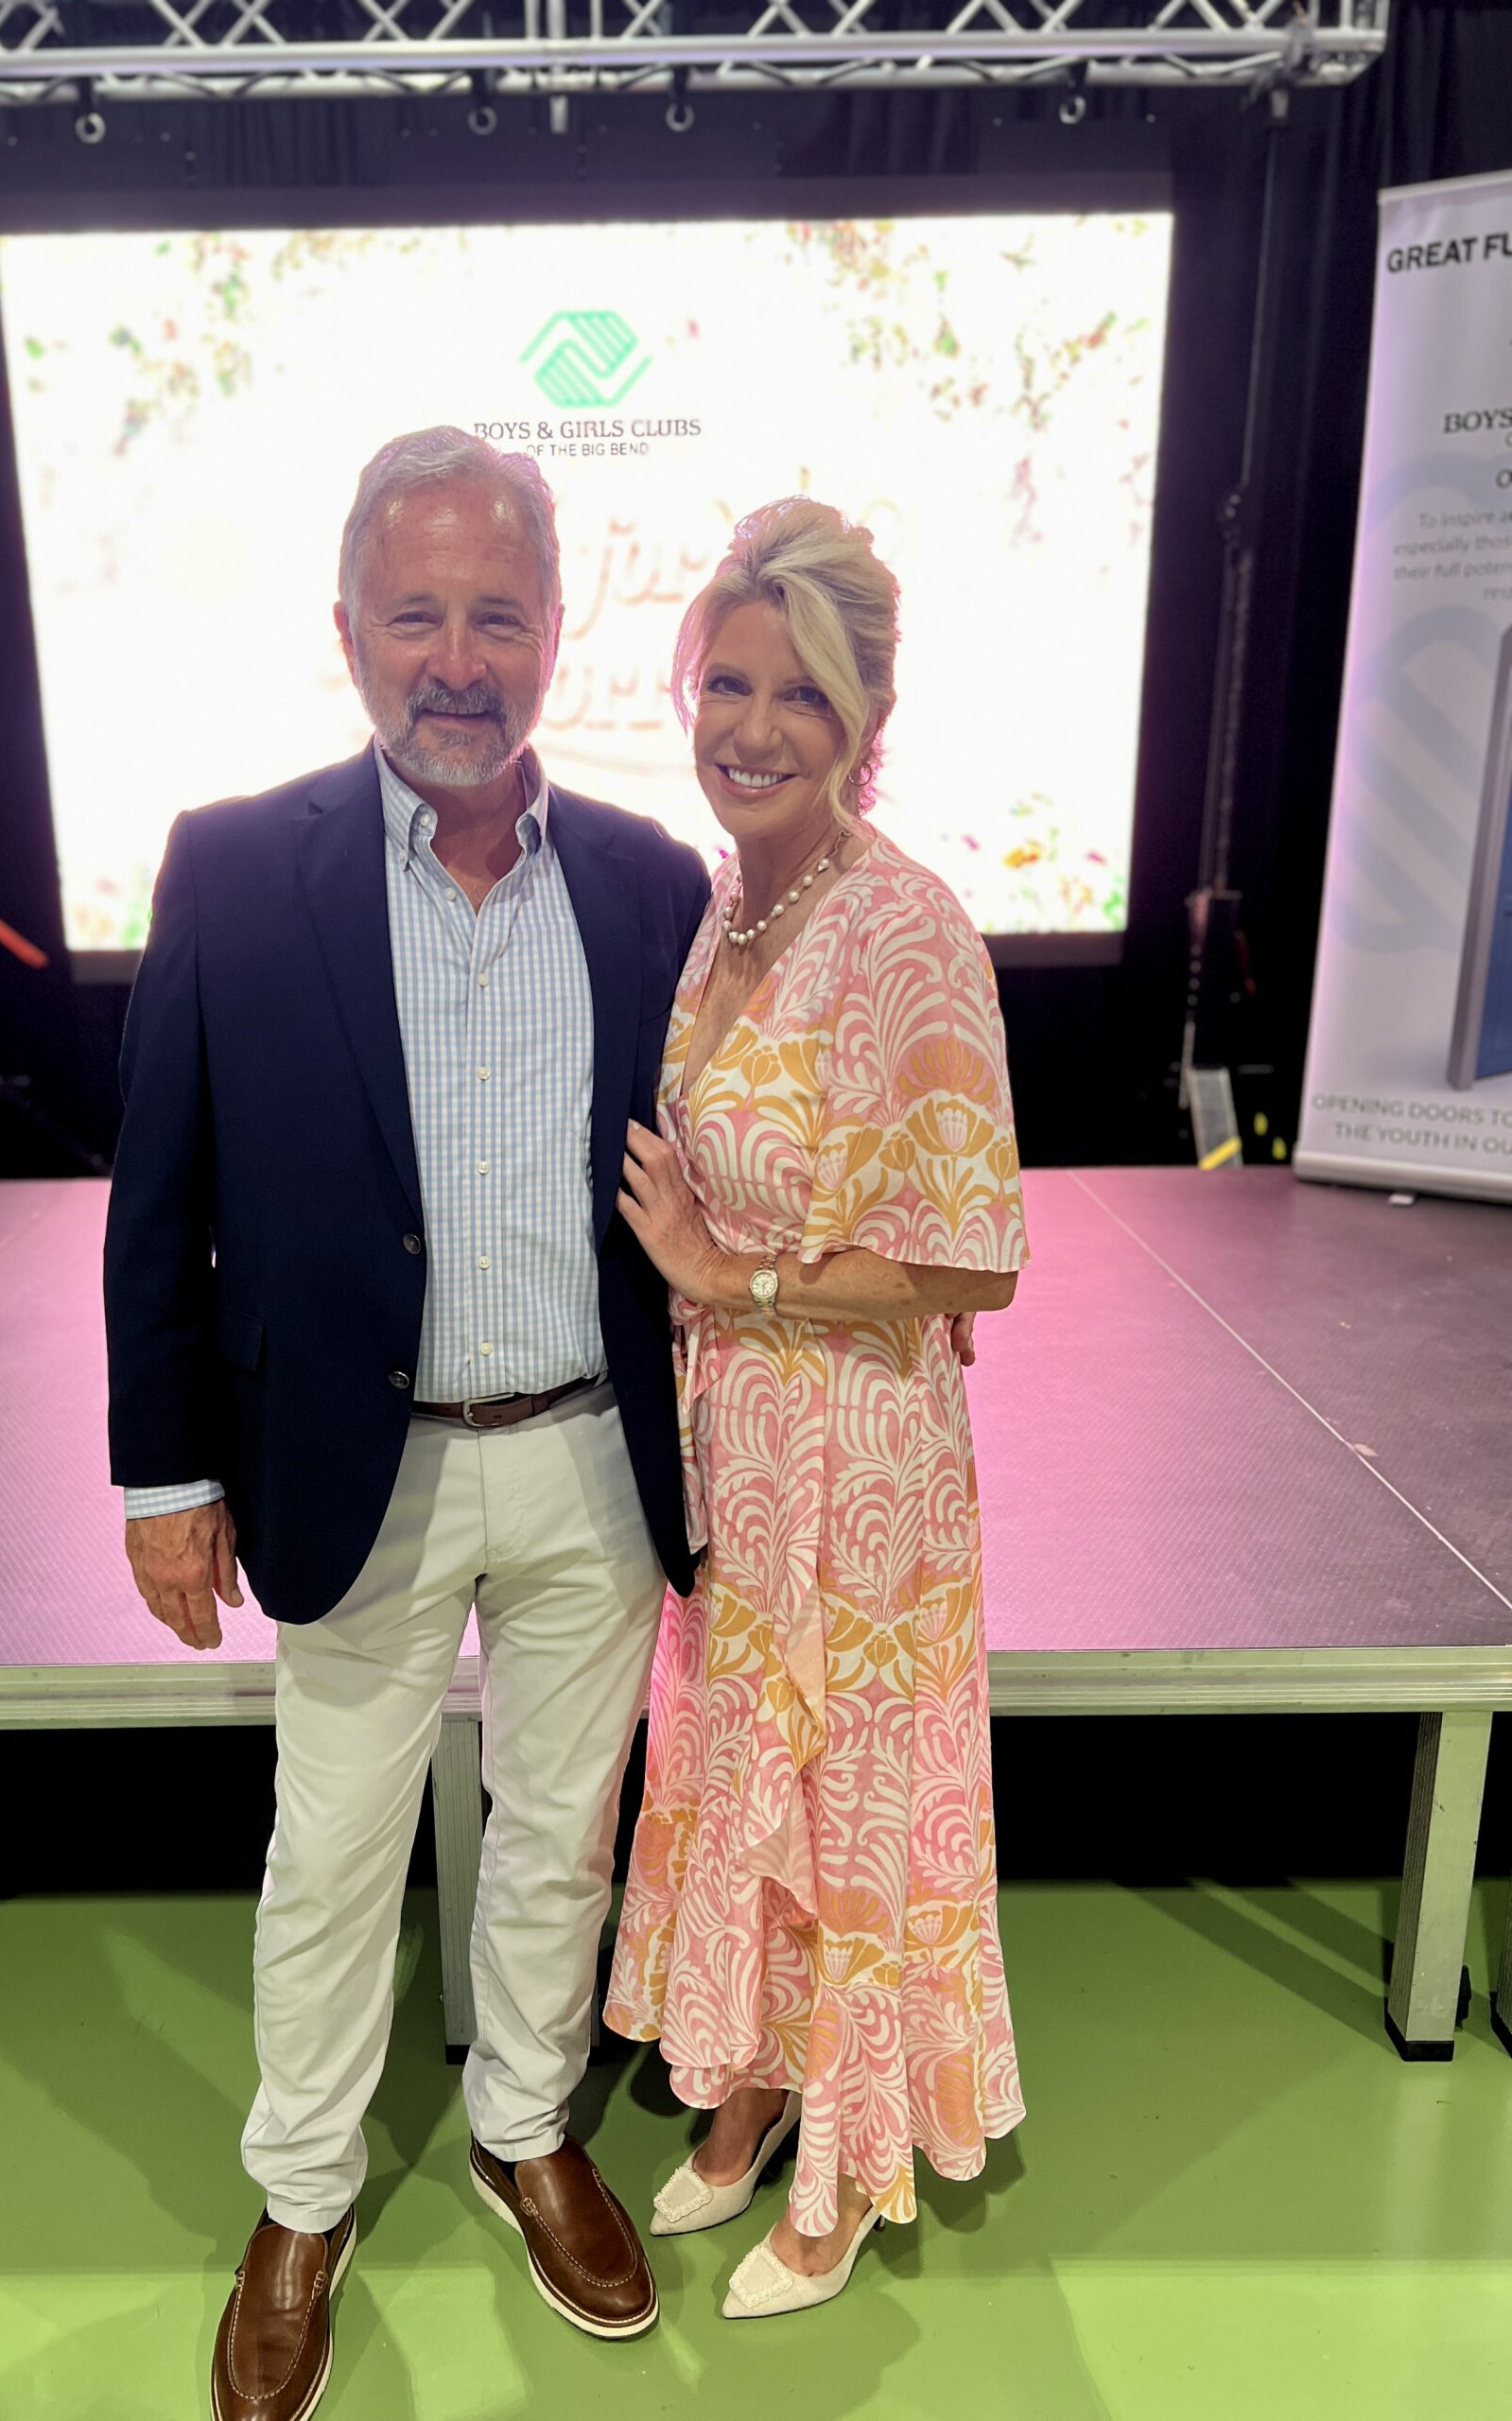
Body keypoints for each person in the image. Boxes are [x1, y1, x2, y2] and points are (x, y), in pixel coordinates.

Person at [103, 427, 710, 2421]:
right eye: (418, 613)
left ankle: (527, 2130)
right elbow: (159, 1190)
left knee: (561, 1833)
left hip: (593, 1454)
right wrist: (165, 1470)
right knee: (333, 1851)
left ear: (558, 630)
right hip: (345, 1464)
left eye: (498, 615)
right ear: (350, 628)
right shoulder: (229, 864)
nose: (459, 659)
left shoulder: (649, 880)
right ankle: (302, 2194)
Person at [603, 498, 1028, 2320]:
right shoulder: (726, 908)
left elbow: (974, 1263)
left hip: (855, 1463)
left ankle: (846, 2170)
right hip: (741, 1456)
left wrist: (730, 1279)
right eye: (728, 684)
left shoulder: (907, 929)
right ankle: (755, 2087)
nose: (754, 727)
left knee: (847, 1800)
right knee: (740, 1774)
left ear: (867, 721)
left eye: (801, 696)